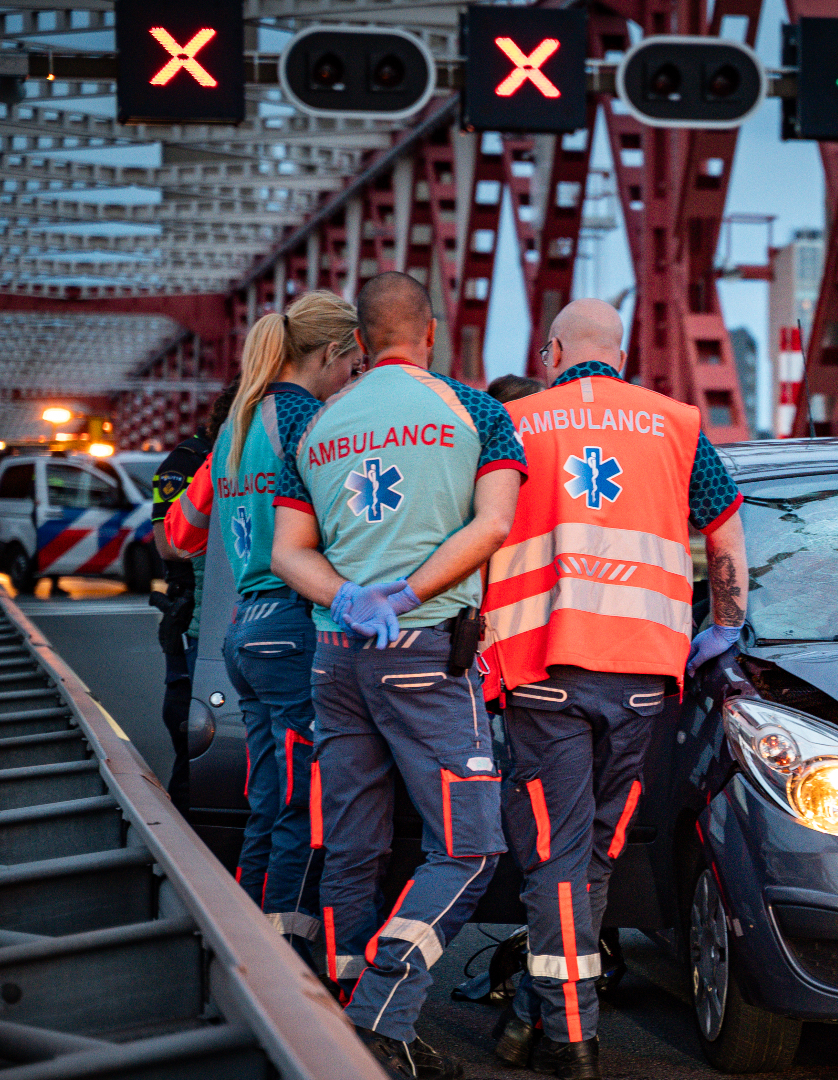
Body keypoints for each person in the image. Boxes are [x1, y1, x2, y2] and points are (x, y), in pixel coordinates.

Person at [482, 298, 748, 1080]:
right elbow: (725, 523)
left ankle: (570, 1035)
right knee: (594, 855)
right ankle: (542, 1015)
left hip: (542, 672)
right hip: (641, 677)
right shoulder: (675, 424)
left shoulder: (516, 423)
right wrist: (724, 624)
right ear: (622, 356)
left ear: (552, 352)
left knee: (556, 858)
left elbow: (480, 532)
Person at [271, 272, 525, 1078]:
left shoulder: (318, 426)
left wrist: (349, 596)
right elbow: (495, 523)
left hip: (338, 655)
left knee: (353, 844)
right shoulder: (475, 411)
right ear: (432, 333)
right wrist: (409, 594)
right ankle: (383, 1011)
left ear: (357, 342)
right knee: (470, 848)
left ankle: (347, 1027)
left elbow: (286, 553)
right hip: (424, 653)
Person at [162, 293, 360, 953]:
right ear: (329, 353)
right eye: (352, 365)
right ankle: (288, 955)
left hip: (244, 626)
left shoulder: (236, 426)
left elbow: (180, 533)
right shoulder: (309, 422)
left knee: (269, 800)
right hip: (294, 624)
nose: (352, 379)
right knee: (304, 806)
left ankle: (246, 945)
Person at [148, 383, 235, 814]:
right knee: (190, 728)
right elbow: (168, 543)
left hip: (220, 612)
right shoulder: (187, 462)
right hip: (193, 610)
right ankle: (178, 835)